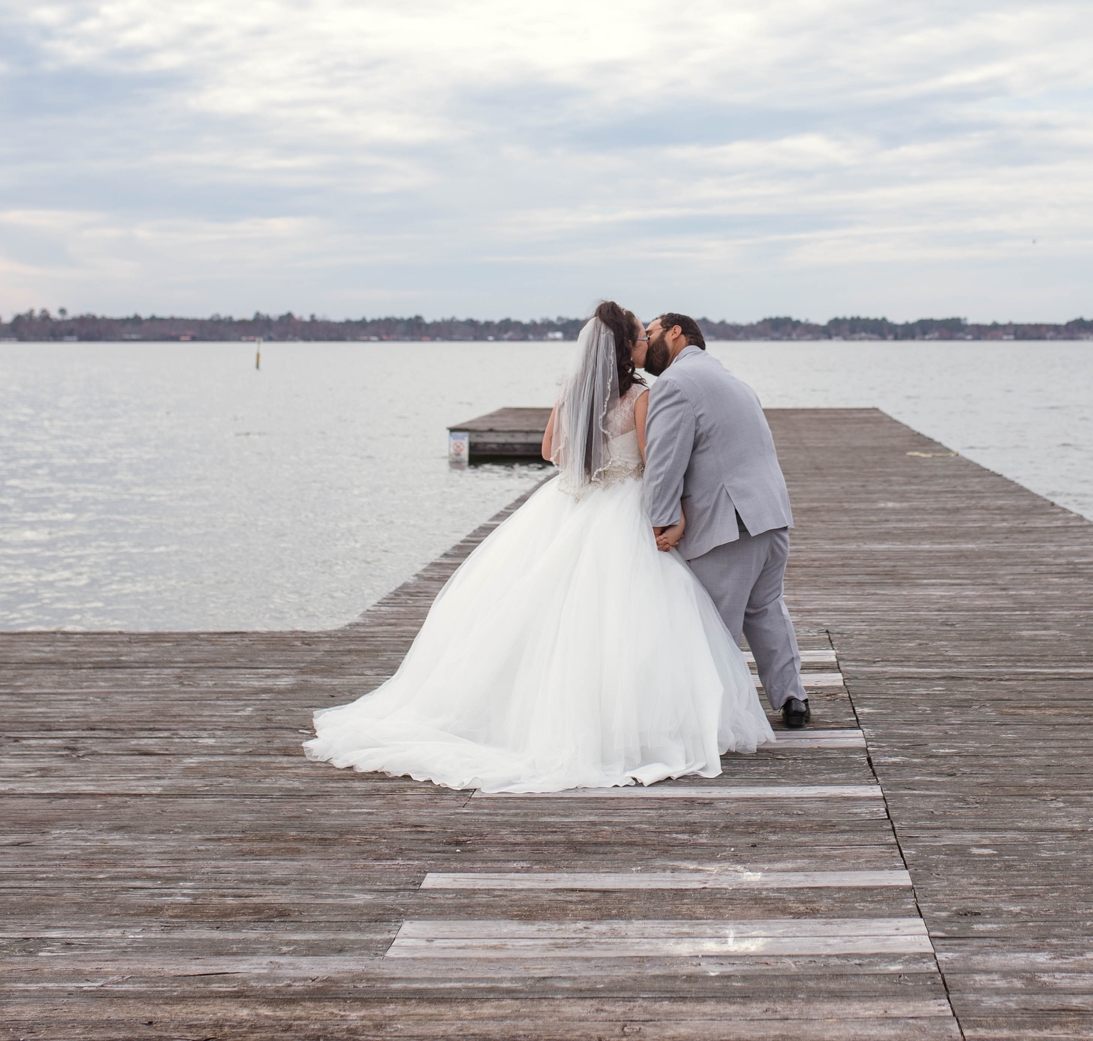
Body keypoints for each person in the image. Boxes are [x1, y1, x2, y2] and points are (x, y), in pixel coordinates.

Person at [302, 302, 771, 792]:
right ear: (622, 347)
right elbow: (657, 467)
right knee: (629, 618)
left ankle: (526, 720)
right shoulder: (640, 396)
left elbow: (551, 451)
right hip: (624, 509)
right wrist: (670, 512)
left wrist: (594, 464)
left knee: (546, 612)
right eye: (636, 337)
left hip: (573, 504)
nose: (642, 343)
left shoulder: (572, 393)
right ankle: (628, 726)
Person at [641, 313, 810, 729]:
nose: (645, 344)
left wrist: (660, 522)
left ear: (676, 333)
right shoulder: (727, 377)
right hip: (769, 515)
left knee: (715, 627)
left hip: (730, 525)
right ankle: (792, 698)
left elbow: (665, 463)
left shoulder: (675, 384)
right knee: (766, 608)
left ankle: (718, 721)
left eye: (650, 334)